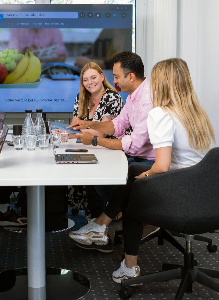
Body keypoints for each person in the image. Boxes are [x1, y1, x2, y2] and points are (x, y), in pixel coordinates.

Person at [111, 57, 216, 283]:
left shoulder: (161, 114)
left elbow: (161, 166)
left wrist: (144, 177)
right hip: (206, 191)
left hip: (182, 192)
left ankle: (129, 266)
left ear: (162, 84)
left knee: (134, 196)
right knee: (133, 172)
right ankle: (102, 222)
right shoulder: (197, 113)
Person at [67, 51, 156, 252]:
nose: (114, 80)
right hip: (137, 156)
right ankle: (102, 223)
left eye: (116, 76)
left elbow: (133, 144)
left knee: (123, 178)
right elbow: (118, 125)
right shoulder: (133, 96)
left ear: (130, 76)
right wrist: (88, 124)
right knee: (105, 180)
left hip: (150, 160)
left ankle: (101, 224)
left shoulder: (147, 100)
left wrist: (95, 139)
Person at [67, 62, 123, 218]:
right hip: (89, 147)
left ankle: (103, 216)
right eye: (85, 80)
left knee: (93, 176)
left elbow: (101, 132)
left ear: (102, 77)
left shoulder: (112, 97)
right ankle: (96, 217)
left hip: (110, 149)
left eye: (93, 77)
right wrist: (67, 131)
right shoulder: (81, 97)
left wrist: (74, 132)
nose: (89, 82)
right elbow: (74, 126)